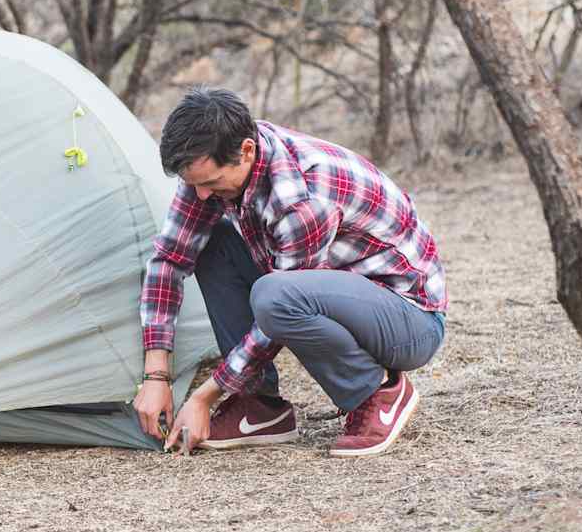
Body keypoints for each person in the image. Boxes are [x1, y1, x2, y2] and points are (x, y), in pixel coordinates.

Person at [133, 88, 447, 457]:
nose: (201, 195)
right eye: (193, 184)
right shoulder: (216, 171)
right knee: (210, 241)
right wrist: (156, 376)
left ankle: (377, 391)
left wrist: (205, 396)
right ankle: (260, 406)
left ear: (246, 151)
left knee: (276, 296)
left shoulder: (302, 199)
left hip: (408, 321)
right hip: (333, 294)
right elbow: (168, 260)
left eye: (211, 182)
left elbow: (277, 315)